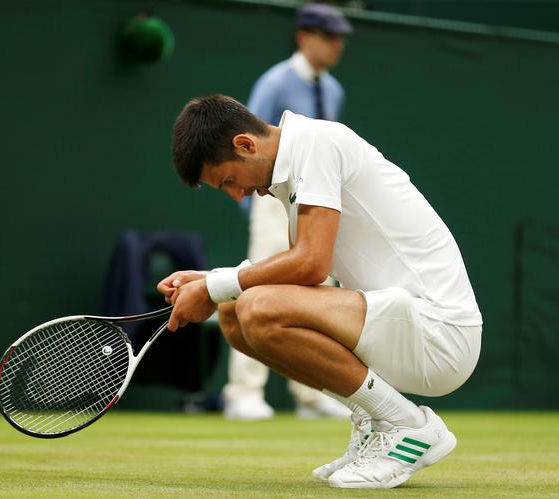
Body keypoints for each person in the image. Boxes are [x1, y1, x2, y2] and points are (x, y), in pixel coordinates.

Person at [158, 94, 482, 489]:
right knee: (234, 313)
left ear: (246, 144)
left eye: (228, 180)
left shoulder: (314, 143)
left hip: (440, 333)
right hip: (400, 324)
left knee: (257, 306)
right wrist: (212, 282)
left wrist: (213, 286)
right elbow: (305, 276)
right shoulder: (295, 164)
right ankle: (374, 419)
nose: (235, 194)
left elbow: (312, 264)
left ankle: (407, 425)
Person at [224, 2, 354, 421]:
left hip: (319, 203)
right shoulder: (275, 82)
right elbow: (247, 146)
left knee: (318, 290)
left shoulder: (334, 90)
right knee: (256, 284)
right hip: (272, 200)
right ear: (304, 37)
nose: (336, 46)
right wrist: (259, 210)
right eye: (328, 37)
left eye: (340, 39)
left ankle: (312, 393)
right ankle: (243, 392)